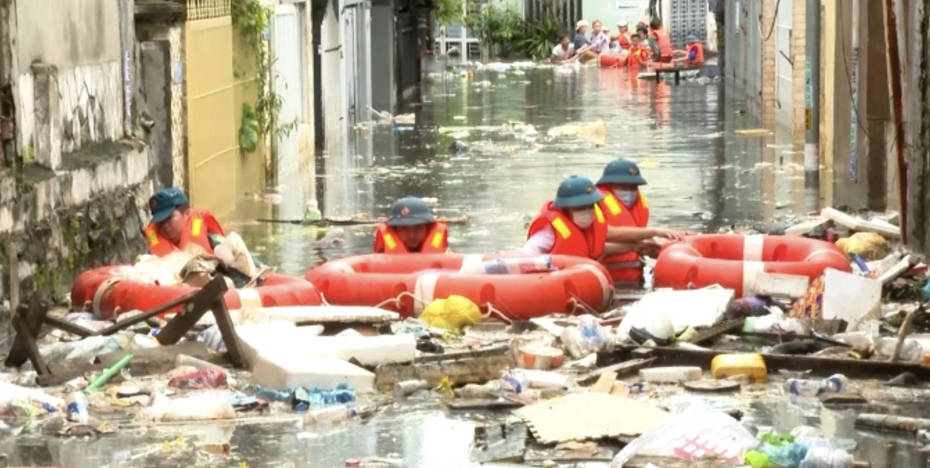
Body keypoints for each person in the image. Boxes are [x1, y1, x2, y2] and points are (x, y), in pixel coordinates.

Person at [523, 175, 685, 259]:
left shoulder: (591, 226)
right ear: (565, 208)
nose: (587, 211)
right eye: (580, 207)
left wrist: (635, 246)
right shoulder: (550, 231)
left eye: (590, 206)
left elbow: (595, 247)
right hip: (558, 281)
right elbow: (526, 256)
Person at [595, 158, 653, 287]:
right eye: (623, 187)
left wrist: (655, 249)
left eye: (633, 187)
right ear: (609, 185)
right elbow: (604, 234)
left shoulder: (639, 206)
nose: (629, 192)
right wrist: (655, 231)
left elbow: (643, 241)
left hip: (634, 284)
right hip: (603, 286)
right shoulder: (594, 204)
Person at [144, 187, 226, 257]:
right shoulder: (154, 241)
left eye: (169, 218)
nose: (164, 225)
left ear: (187, 213)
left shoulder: (212, 239)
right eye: (160, 221)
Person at [374, 197, 449, 254]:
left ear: (428, 227)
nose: (411, 235)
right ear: (395, 229)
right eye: (404, 228)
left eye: (418, 227)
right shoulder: (381, 255)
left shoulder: (446, 254)